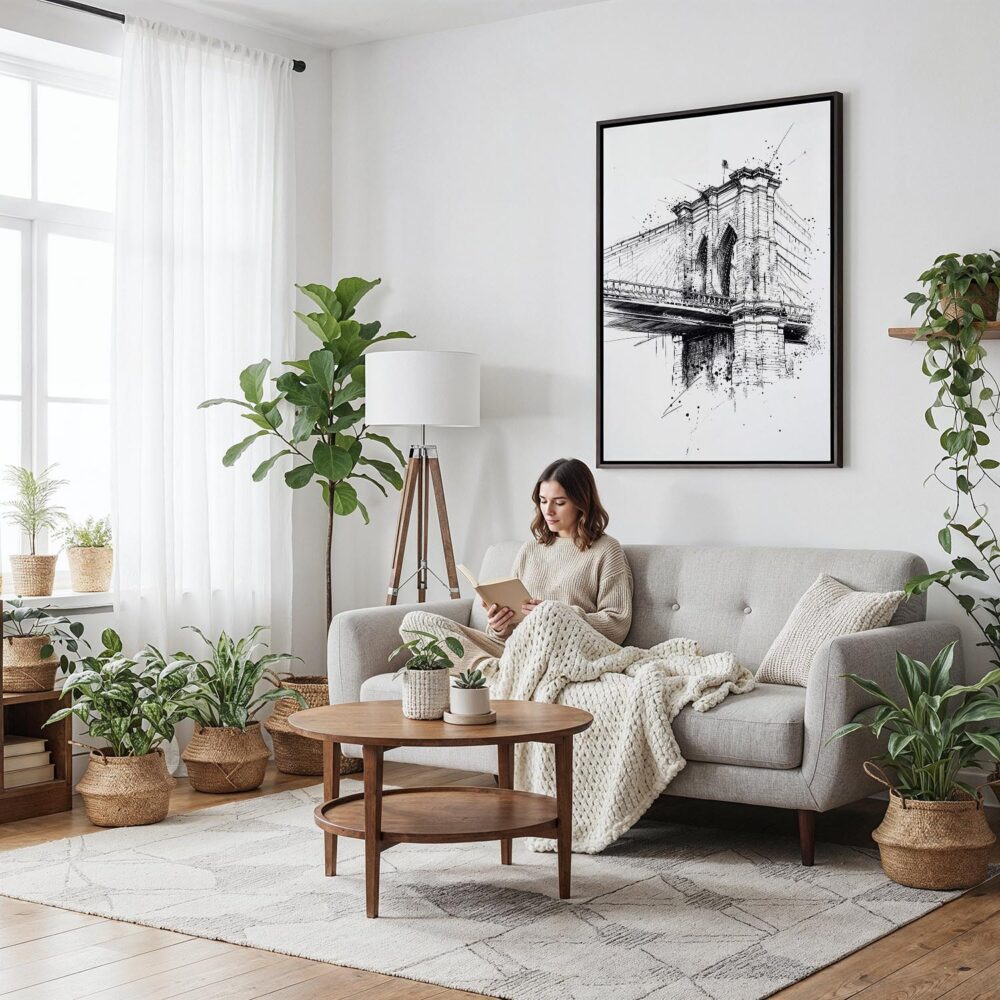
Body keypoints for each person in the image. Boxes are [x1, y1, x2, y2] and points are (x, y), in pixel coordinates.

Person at [399, 457, 633, 676]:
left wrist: (557, 614)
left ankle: (497, 675)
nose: (548, 511)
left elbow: (617, 625)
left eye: (559, 503)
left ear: (582, 503)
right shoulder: (530, 549)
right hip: (515, 650)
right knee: (415, 621)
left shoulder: (606, 550)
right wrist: (500, 626)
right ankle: (490, 671)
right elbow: (504, 636)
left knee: (550, 612)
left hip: (566, 652)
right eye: (543, 501)